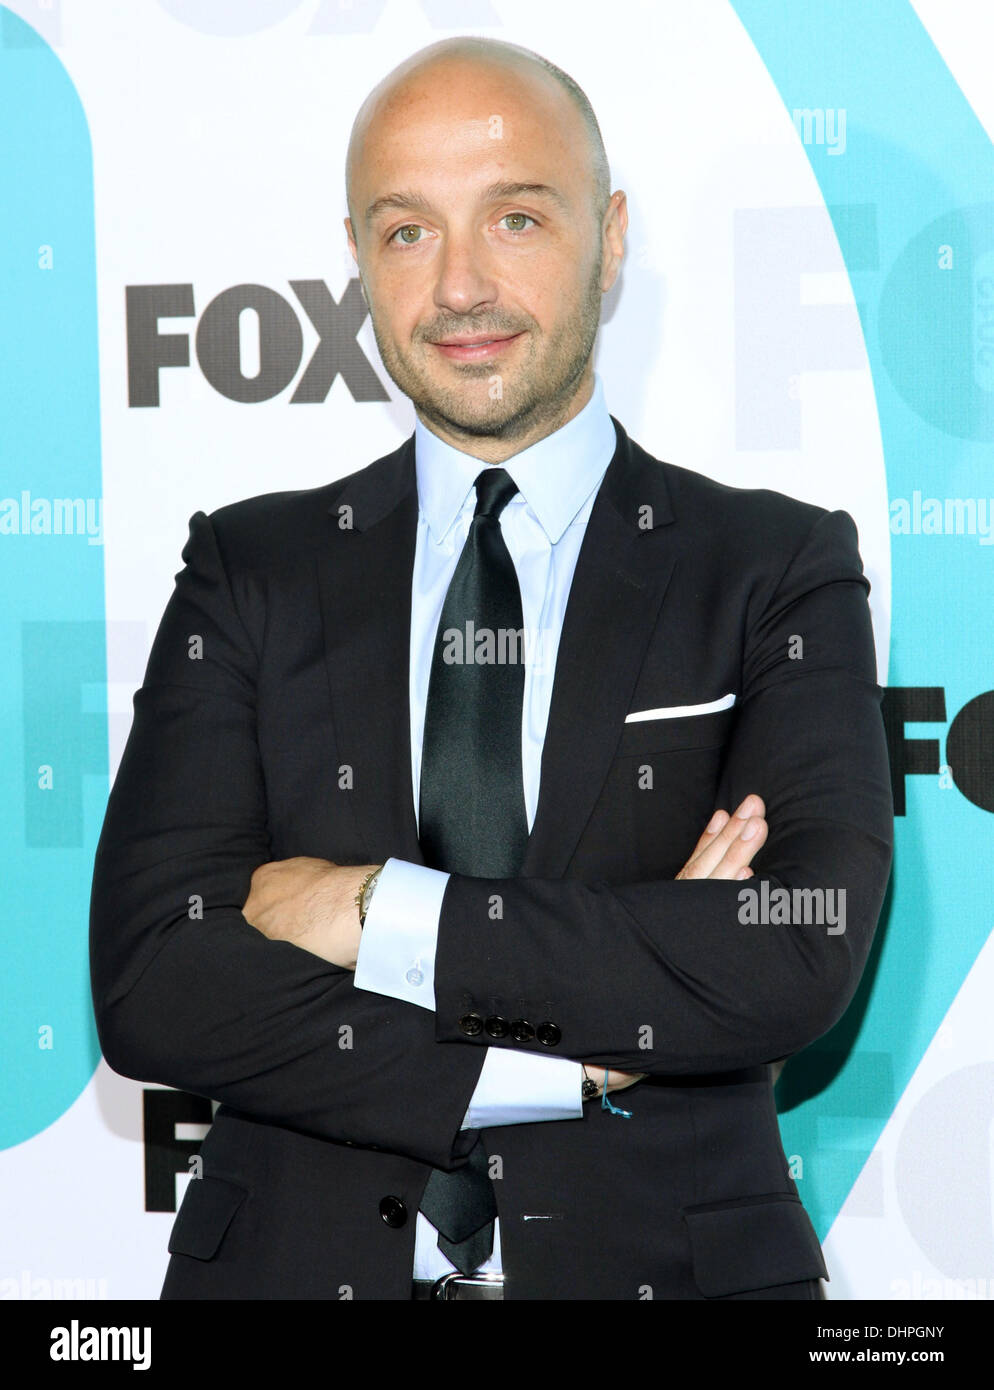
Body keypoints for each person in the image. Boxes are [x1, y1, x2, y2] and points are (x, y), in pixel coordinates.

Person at [89, 36, 894, 1301]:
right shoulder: (250, 568)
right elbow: (154, 979)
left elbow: (790, 951)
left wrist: (370, 909)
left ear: (611, 236)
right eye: (406, 232)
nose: (460, 285)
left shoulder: (775, 565)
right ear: (355, 257)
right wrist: (575, 1057)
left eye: (515, 217)